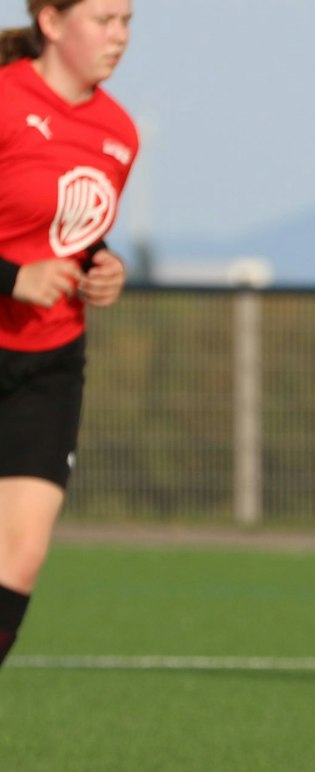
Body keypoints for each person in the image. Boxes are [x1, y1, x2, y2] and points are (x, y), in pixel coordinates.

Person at [0, 0, 134, 672]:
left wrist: (102, 265)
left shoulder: (119, 133)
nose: (120, 36)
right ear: (51, 22)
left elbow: (72, 229)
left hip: (49, 360)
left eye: (127, 21)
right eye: (103, 20)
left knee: (19, 557)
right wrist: (10, 278)